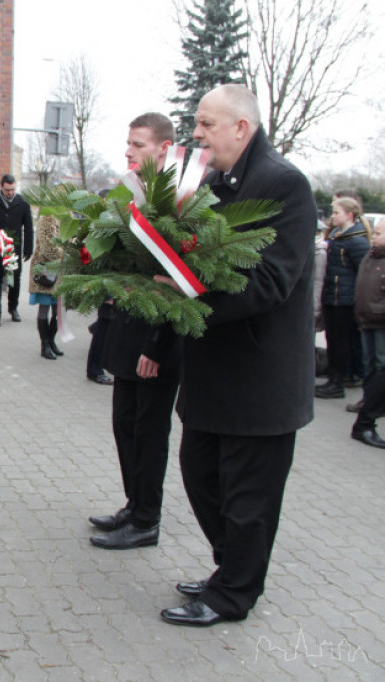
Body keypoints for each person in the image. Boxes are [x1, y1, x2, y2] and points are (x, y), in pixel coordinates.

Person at [158, 84, 316, 628]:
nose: (195, 133)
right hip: (213, 375)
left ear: (241, 128)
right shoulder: (206, 182)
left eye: (205, 123)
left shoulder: (284, 185)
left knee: (248, 500)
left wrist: (185, 292)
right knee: (200, 474)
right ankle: (233, 569)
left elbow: (271, 281)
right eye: (196, 124)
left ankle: (234, 594)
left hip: (260, 381)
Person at [89, 112, 181, 550]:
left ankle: (147, 518)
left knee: (149, 431)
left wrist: (157, 345)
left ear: (163, 148)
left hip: (156, 339)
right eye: (127, 143)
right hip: (126, 328)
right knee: (125, 424)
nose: (128, 152)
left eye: (138, 145)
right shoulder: (132, 194)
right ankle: (134, 503)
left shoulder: (181, 201)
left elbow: (177, 283)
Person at [315, 196, 369, 399]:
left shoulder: (356, 241)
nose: (333, 216)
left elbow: (363, 273)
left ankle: (338, 382)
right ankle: (334, 378)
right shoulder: (338, 236)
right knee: (334, 341)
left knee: (341, 342)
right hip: (334, 298)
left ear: (349, 215)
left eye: (336, 212)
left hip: (344, 302)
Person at [0, 174, 34, 327]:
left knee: (14, 280)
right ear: (1, 187)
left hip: (13, 249)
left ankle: (13, 308)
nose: (10, 193)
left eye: (13, 189)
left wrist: (28, 248)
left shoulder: (22, 203)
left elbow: (28, 227)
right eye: (7, 190)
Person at [349, 220, 385, 425]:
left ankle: (375, 405)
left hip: (381, 322)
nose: (375, 236)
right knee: (369, 365)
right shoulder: (370, 257)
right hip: (366, 320)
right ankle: (368, 400)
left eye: (379, 233)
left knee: (382, 366)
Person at [27, 215, 62, 357]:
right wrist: (64, 252)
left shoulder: (67, 219)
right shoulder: (46, 221)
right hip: (46, 271)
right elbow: (47, 250)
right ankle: (45, 345)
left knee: (59, 311)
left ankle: (52, 340)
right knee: (45, 308)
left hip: (61, 272)